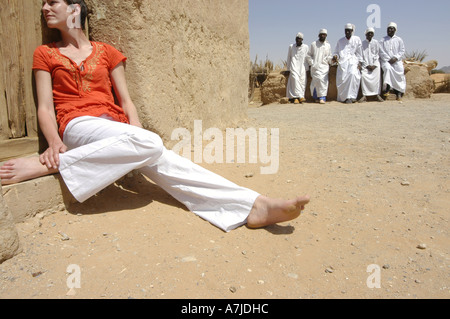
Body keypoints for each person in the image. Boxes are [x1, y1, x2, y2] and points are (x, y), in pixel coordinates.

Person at [0, 0, 310, 232]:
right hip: (77, 125)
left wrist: (135, 132)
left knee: (154, 151)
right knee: (151, 145)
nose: (44, 7)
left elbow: (126, 100)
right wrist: (53, 143)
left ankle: (253, 206)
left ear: (75, 9)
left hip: (116, 128)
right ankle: (43, 166)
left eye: (52, 2)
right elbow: (44, 106)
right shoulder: (46, 53)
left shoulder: (106, 51)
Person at [332, 24, 363, 104]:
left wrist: (360, 62)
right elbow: (336, 52)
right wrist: (336, 56)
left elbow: (359, 53)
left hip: (353, 61)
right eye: (346, 30)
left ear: (352, 31)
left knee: (353, 74)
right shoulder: (340, 41)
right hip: (343, 62)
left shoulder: (357, 39)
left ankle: (351, 97)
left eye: (349, 30)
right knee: (342, 76)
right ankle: (344, 97)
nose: (347, 32)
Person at [379, 22, 406, 101]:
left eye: (391, 28)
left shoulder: (399, 39)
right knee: (387, 69)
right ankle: (386, 89)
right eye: (388, 29)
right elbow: (381, 51)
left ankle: (398, 92)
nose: (390, 30)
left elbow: (402, 50)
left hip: (396, 61)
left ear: (395, 30)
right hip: (386, 61)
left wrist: (395, 58)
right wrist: (388, 59)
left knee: (400, 69)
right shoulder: (382, 40)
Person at [306, 29, 332, 105]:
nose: (322, 36)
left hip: (324, 67)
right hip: (315, 67)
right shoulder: (313, 44)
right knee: (315, 81)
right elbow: (308, 55)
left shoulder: (328, 45)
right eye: (321, 34)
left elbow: (329, 56)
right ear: (318, 35)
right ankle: (316, 97)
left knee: (323, 82)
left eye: (324, 35)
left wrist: (332, 60)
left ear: (326, 36)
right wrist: (312, 63)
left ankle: (322, 97)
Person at [359, 28, 384, 103]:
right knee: (363, 76)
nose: (370, 34)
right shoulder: (362, 44)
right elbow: (360, 56)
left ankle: (377, 95)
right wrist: (366, 65)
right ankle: (364, 95)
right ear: (365, 34)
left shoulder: (376, 43)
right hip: (365, 65)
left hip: (374, 64)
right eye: (368, 33)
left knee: (377, 74)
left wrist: (374, 65)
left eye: (371, 33)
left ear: (373, 34)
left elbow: (377, 55)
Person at [286, 33, 309, 104]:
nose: (297, 40)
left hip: (302, 67)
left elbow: (307, 57)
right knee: (295, 80)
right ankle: (296, 97)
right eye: (296, 38)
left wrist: (307, 68)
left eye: (299, 39)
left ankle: (301, 97)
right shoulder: (291, 46)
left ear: (302, 40)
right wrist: (288, 69)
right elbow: (289, 57)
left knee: (302, 82)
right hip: (294, 66)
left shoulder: (305, 47)